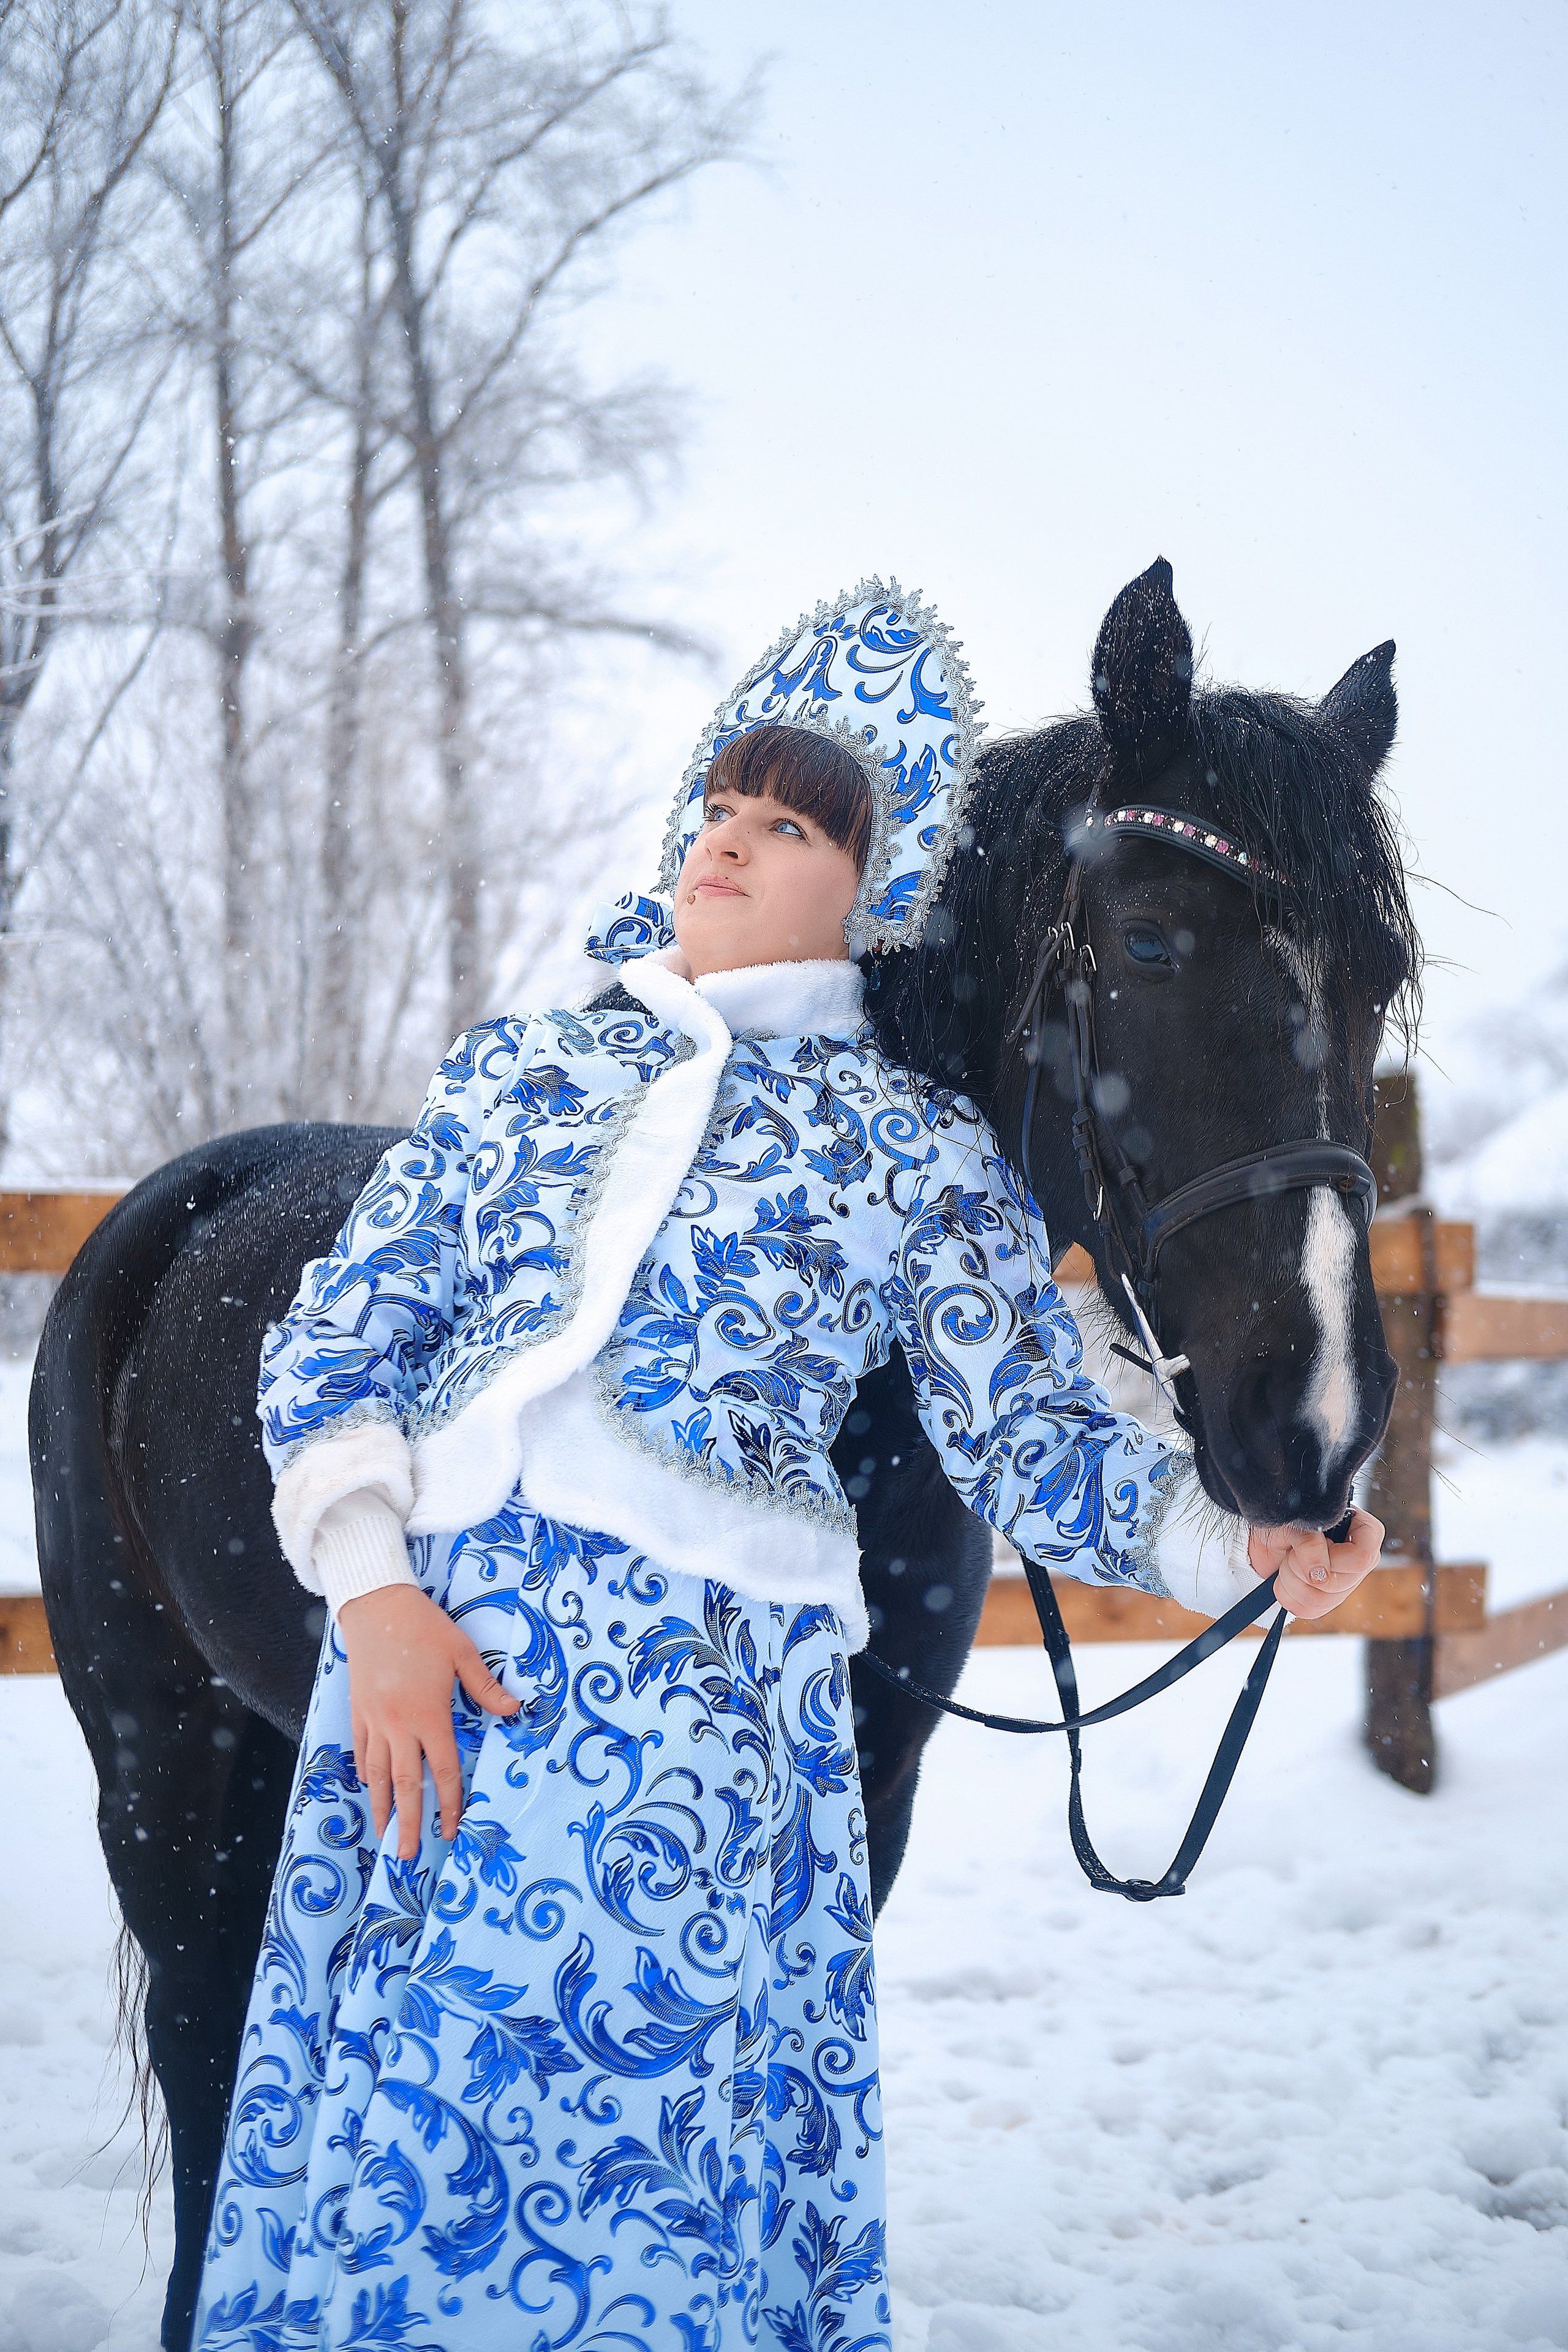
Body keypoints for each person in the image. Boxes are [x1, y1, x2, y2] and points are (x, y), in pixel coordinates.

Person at [194, 581, 1382, 2352]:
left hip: (711, 1740)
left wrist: (1235, 1541)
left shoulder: (912, 1153)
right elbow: (338, 1342)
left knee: (656, 2178)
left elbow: (1029, 1432)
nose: (730, 841)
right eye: (720, 809)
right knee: (414, 2150)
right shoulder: (523, 1079)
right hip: (444, 1690)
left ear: (878, 878)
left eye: (790, 821)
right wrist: (370, 1595)